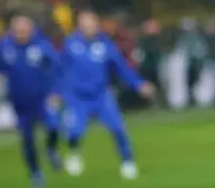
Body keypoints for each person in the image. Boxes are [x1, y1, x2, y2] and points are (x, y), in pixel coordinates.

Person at [59, 9, 155, 179]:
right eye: (85, 25)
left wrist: (138, 84)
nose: (88, 28)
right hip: (77, 96)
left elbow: (121, 67)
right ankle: (74, 154)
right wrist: (57, 92)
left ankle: (128, 161)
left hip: (101, 95)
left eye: (91, 24)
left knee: (118, 128)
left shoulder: (106, 45)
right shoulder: (70, 44)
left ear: (96, 25)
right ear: (79, 26)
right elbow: (59, 70)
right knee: (74, 131)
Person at [0, 12, 62, 188]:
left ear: (31, 30)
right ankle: (35, 173)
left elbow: (56, 67)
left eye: (24, 29)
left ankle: (51, 149)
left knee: (53, 126)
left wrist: (55, 91)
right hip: (20, 101)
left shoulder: (42, 45)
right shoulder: (5, 46)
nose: (21, 33)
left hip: (42, 98)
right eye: (18, 30)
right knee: (27, 138)